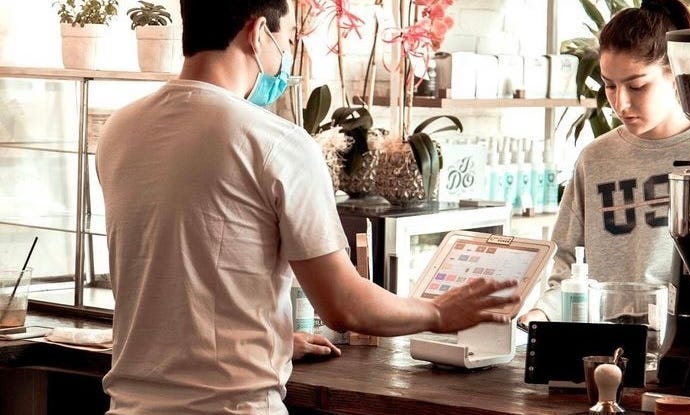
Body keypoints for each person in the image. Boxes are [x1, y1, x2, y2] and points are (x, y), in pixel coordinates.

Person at [96, 1, 519, 414]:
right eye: (287, 40)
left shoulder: (120, 129)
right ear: (258, 32)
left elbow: (183, 271)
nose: (285, 59)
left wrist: (272, 338)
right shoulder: (274, 141)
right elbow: (343, 304)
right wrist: (438, 312)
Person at [520, 0, 690, 324]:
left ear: (675, 76)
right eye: (609, 85)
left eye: (637, 86)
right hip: (607, 347)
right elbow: (566, 265)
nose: (620, 102)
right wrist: (539, 313)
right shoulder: (596, 158)